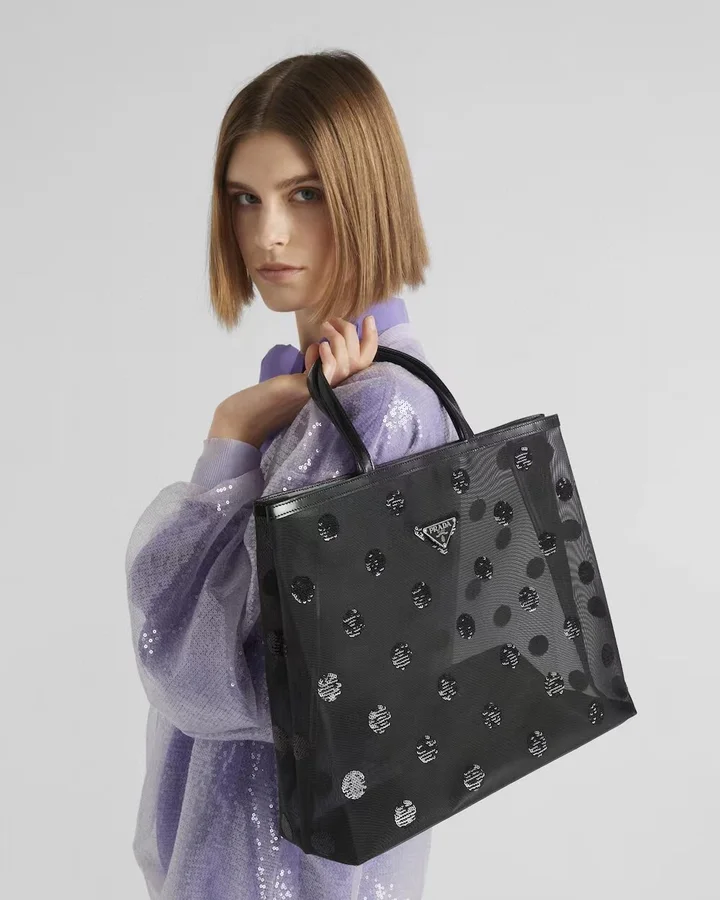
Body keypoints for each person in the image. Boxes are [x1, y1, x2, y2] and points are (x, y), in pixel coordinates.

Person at [125, 49, 453, 900]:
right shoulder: (322, 400)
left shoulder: (376, 411)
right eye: (245, 198)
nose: (267, 233)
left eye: (304, 194)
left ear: (366, 192)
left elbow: (201, 666)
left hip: (286, 871)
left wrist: (232, 435)